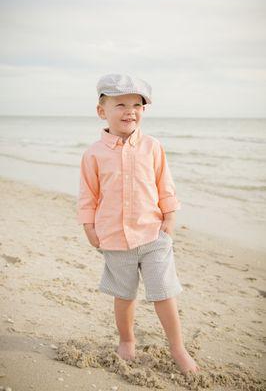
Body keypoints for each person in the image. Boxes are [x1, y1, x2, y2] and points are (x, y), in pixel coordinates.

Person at [77, 73, 200, 374]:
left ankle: (177, 347)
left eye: (137, 104)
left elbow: (164, 184)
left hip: (153, 234)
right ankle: (127, 339)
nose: (130, 110)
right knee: (124, 294)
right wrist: (89, 227)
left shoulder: (153, 147)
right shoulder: (94, 154)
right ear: (101, 110)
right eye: (120, 104)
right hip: (115, 237)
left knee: (164, 291)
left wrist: (169, 219)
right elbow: (88, 195)